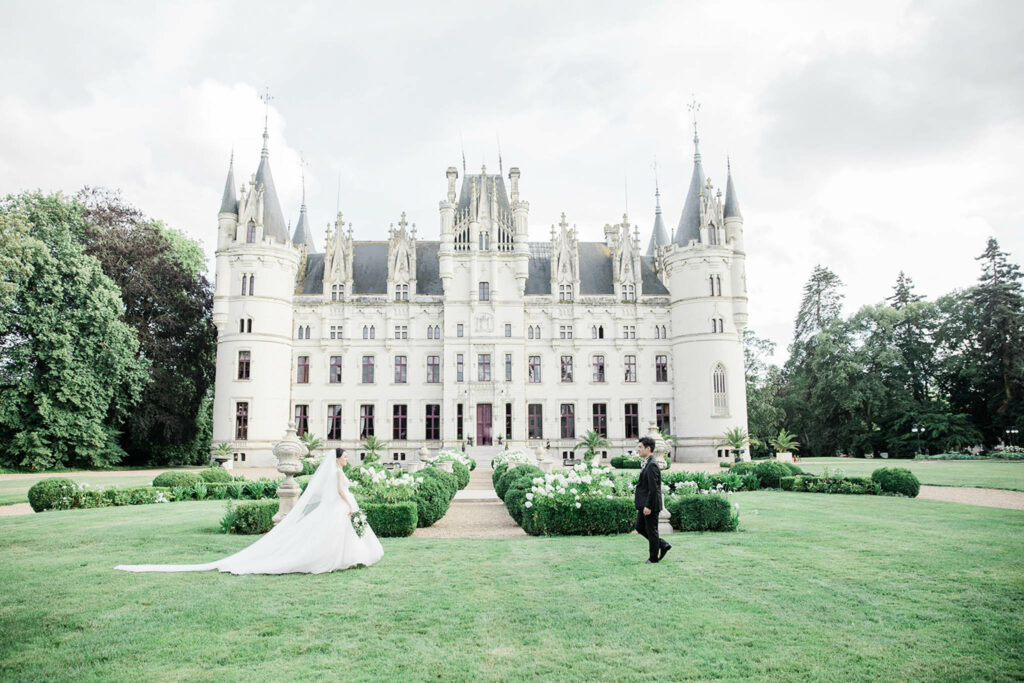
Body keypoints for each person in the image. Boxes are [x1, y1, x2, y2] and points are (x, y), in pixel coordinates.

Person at [115, 448, 383, 575]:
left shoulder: (338, 469)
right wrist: (350, 505)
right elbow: (339, 491)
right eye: (346, 456)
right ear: (338, 458)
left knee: (339, 535)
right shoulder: (337, 471)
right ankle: (340, 560)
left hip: (342, 506)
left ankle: (348, 559)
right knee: (335, 534)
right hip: (342, 505)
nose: (348, 459)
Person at [634, 436, 671, 564]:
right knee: (639, 527)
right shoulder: (647, 462)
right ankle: (662, 544)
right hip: (643, 503)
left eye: (640, 447)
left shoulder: (652, 465)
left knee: (651, 530)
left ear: (648, 449)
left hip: (650, 505)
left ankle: (653, 558)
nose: (638, 449)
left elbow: (654, 489)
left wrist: (648, 506)